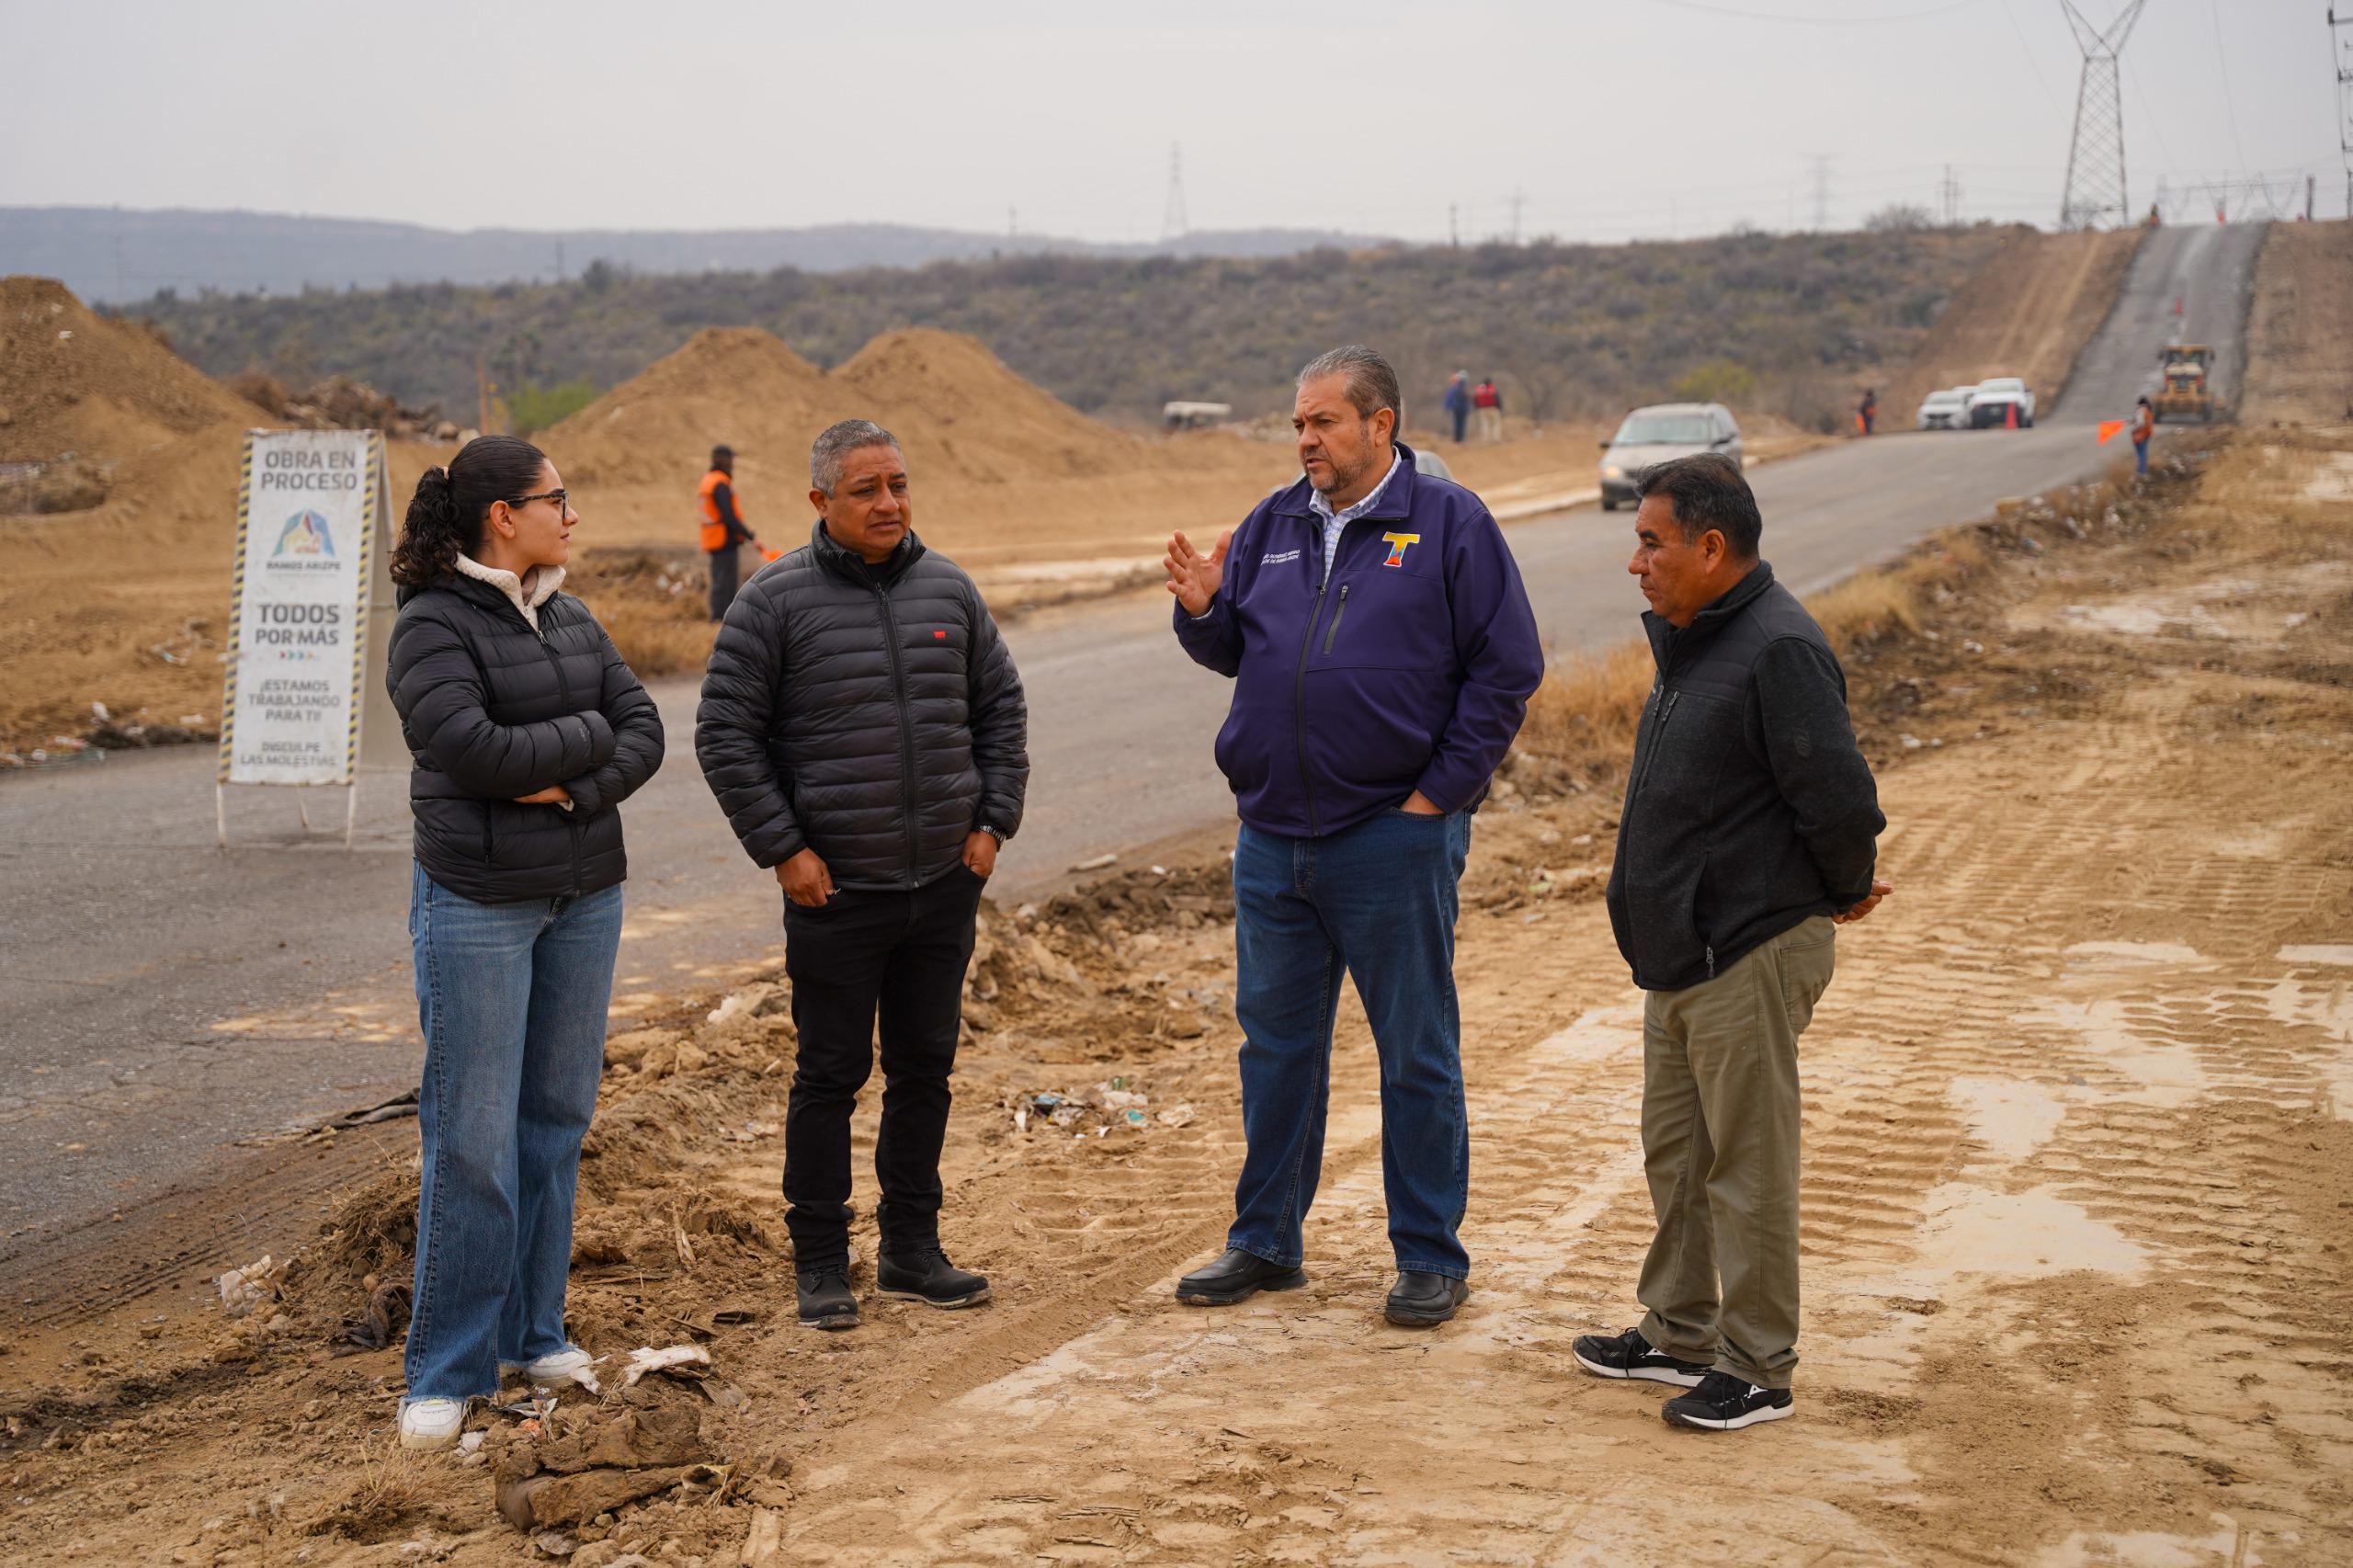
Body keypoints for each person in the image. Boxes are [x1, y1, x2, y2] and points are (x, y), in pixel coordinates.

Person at [1164, 345, 1542, 1328]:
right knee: (1275, 1048)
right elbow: (1237, 649)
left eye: (1322, 422)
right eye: (1297, 424)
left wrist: (1438, 797)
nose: (1304, 441)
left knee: (1414, 1050)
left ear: (1380, 424)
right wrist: (1203, 608)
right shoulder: (1274, 520)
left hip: (1389, 835)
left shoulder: (1449, 521)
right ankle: (1264, 1241)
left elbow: (1506, 669)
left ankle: (1427, 1254)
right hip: (1273, 836)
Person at [1572, 453, 1888, 1434]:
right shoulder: (1698, 639)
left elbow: (1839, 800)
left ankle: (1757, 1364)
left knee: (1746, 1165)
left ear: (1711, 546)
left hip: (1746, 948)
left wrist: (1833, 894)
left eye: (1650, 541)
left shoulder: (1774, 646)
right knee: (1679, 1155)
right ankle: (1677, 1329)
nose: (1636, 562)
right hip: (1683, 955)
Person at [697, 419, 1029, 1332]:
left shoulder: (947, 588)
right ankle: (819, 1262)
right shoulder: (770, 603)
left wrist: (993, 819)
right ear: (819, 503)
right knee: (830, 1073)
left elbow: (999, 706)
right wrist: (784, 847)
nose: (888, 502)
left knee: (925, 1067)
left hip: (940, 884)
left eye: (898, 483)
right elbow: (724, 735)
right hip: (835, 891)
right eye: (865, 489)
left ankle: (912, 1251)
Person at [383, 435, 666, 1450]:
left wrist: (564, 778)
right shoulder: (431, 625)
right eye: (558, 498)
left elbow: (642, 730)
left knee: (554, 1118)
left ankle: (533, 1334)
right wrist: (572, 746)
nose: (572, 515)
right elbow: (466, 746)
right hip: (478, 899)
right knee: (471, 1138)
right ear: (503, 514)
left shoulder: (571, 614)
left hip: (584, 893)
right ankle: (445, 1371)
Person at [699, 445, 760, 621]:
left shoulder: (708, 481)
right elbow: (728, 516)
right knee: (726, 584)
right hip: (723, 540)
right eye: (730, 459)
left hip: (713, 539)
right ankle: (721, 621)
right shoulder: (719, 483)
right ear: (723, 460)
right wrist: (748, 535)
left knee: (719, 582)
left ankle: (717, 618)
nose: (732, 463)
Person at [1443, 371, 1472, 445]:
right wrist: (1468, 409)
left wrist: (1446, 407)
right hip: (1463, 409)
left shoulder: (1453, 389)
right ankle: (1460, 439)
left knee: (1456, 424)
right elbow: (1468, 400)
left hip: (1455, 409)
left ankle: (1456, 439)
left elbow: (1449, 398)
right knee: (1461, 424)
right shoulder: (1464, 389)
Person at [1473, 376, 1504, 443]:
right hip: (1493, 408)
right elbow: (1498, 399)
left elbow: (1475, 400)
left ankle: (1486, 439)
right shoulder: (1493, 389)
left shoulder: (1480, 390)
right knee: (1496, 424)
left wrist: (1477, 407)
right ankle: (1496, 439)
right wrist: (1500, 408)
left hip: (1482, 409)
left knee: (1485, 424)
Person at [2131, 395, 2155, 477]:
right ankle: (2143, 471)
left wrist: (2133, 429)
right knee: (2143, 454)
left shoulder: (2140, 410)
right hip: (2146, 436)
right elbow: (2147, 423)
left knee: (2140, 455)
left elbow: (2140, 423)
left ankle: (2141, 472)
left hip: (2139, 436)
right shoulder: (2148, 411)